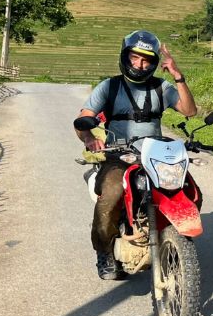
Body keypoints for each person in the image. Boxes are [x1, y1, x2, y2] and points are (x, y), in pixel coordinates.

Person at [74, 30, 198, 280]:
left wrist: (178, 76)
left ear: (153, 63)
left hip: (154, 153)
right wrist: (89, 138)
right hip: (118, 154)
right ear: (125, 57)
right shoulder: (110, 86)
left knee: (187, 188)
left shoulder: (161, 87)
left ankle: (171, 238)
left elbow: (189, 110)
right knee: (111, 194)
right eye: (134, 58)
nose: (139, 65)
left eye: (146, 60)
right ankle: (105, 252)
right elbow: (82, 119)